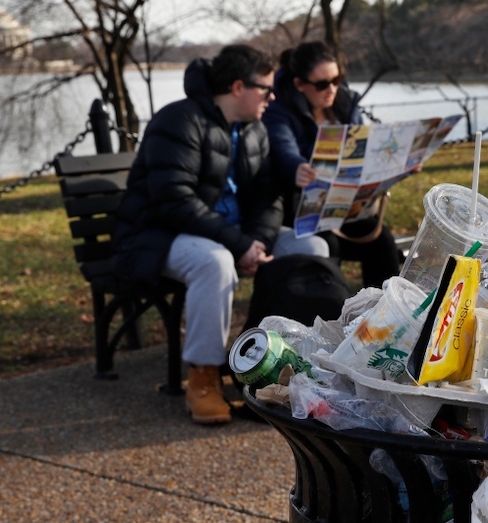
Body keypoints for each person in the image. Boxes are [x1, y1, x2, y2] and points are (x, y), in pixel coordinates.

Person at [111, 45, 329, 425]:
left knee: (311, 244)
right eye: (265, 88)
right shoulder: (178, 120)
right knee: (215, 262)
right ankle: (204, 378)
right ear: (238, 86)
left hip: (233, 236)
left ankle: (294, 364)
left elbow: (268, 195)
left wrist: (256, 241)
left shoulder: (255, 130)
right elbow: (171, 199)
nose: (272, 96)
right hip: (159, 235)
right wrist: (239, 244)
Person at [263, 41, 401, 289]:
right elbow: (283, 148)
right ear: (299, 84)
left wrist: (396, 165)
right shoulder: (278, 109)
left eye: (337, 79)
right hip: (301, 211)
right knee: (329, 246)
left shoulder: (345, 102)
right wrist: (298, 168)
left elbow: (367, 147)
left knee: (382, 241)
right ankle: (335, 317)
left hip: (346, 207)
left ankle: (386, 316)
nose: (332, 89)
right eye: (322, 84)